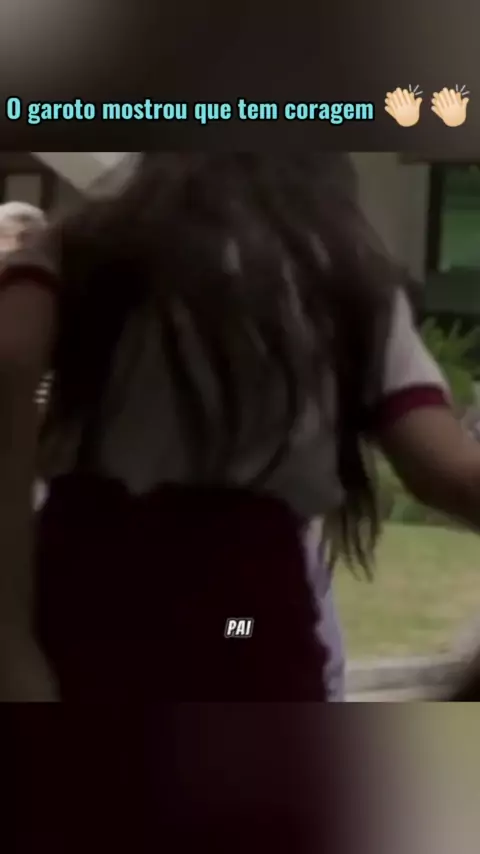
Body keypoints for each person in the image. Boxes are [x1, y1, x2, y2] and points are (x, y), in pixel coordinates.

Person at [2, 153, 480, 707]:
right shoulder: (343, 272)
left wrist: (11, 645)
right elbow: (445, 470)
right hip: (245, 612)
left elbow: (11, 358)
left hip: (88, 599)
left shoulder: (87, 247)